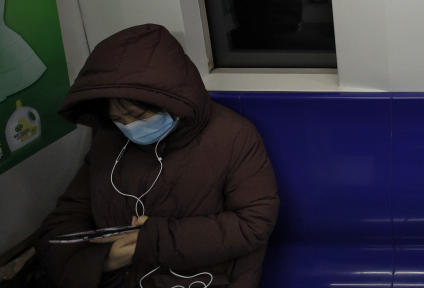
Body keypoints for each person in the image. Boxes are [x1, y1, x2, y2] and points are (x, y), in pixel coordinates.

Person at [35, 24, 279, 288]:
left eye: (139, 116)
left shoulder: (233, 136)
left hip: (200, 275)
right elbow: (65, 219)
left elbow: (253, 222)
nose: (130, 127)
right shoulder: (109, 139)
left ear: (173, 101)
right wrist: (102, 260)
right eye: (118, 119)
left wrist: (152, 241)